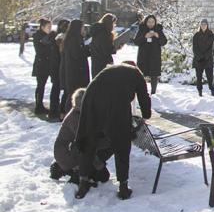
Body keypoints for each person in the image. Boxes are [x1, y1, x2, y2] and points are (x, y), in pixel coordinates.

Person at [74, 63, 151, 200]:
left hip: (91, 95)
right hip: (116, 101)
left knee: (89, 137)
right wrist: (146, 113)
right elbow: (144, 98)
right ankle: (123, 187)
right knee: (121, 141)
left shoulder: (111, 70)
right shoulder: (137, 74)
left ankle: (83, 181)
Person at [51, 88, 109, 185]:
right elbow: (86, 145)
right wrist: (99, 165)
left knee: (102, 174)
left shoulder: (80, 114)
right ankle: (73, 172)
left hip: (68, 151)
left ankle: (65, 168)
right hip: (67, 153)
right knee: (102, 176)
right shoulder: (76, 118)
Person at [133, 14, 167, 95]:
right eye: (149, 22)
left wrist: (158, 36)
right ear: (146, 22)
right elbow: (136, 41)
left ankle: (153, 92)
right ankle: (142, 92)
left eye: (153, 22)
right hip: (143, 56)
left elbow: (164, 42)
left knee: (154, 75)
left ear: (155, 22)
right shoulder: (141, 29)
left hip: (155, 56)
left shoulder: (158, 29)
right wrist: (145, 36)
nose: (151, 23)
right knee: (141, 74)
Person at [32, 18, 59, 117]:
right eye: (48, 27)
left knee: (50, 85)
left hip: (49, 64)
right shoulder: (38, 36)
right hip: (41, 64)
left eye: (51, 27)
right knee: (40, 86)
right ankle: (38, 106)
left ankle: (42, 106)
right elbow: (40, 50)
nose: (50, 29)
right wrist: (49, 40)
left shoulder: (49, 36)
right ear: (42, 27)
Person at [62, 19, 90, 112]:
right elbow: (76, 54)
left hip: (76, 72)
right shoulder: (73, 39)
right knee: (73, 95)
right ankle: (68, 114)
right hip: (75, 73)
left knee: (75, 95)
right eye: (82, 28)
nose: (84, 30)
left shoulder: (76, 38)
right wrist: (87, 49)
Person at [192, 19, 214, 97]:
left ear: (207, 25)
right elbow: (194, 47)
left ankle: (212, 90)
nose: (203, 26)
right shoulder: (196, 35)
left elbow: (212, 48)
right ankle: (200, 91)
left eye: (205, 24)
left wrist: (206, 56)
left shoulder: (212, 35)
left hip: (208, 59)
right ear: (200, 25)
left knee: (210, 77)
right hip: (198, 59)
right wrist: (200, 56)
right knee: (199, 77)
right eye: (202, 24)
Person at [89, 13, 116, 78]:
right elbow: (106, 50)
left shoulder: (98, 31)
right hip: (103, 63)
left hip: (96, 61)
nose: (114, 25)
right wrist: (115, 48)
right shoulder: (104, 34)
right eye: (114, 23)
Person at [54, 19, 70, 116]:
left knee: (61, 90)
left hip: (61, 65)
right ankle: (59, 111)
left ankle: (58, 110)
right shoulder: (60, 38)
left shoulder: (62, 37)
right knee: (60, 89)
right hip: (59, 66)